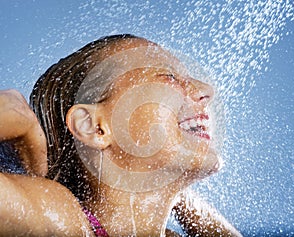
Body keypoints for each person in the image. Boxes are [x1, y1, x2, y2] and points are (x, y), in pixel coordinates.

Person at [0, 34, 242, 236]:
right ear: (94, 127)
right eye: (168, 76)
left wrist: (170, 189)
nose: (206, 90)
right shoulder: (57, 219)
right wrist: (16, 117)